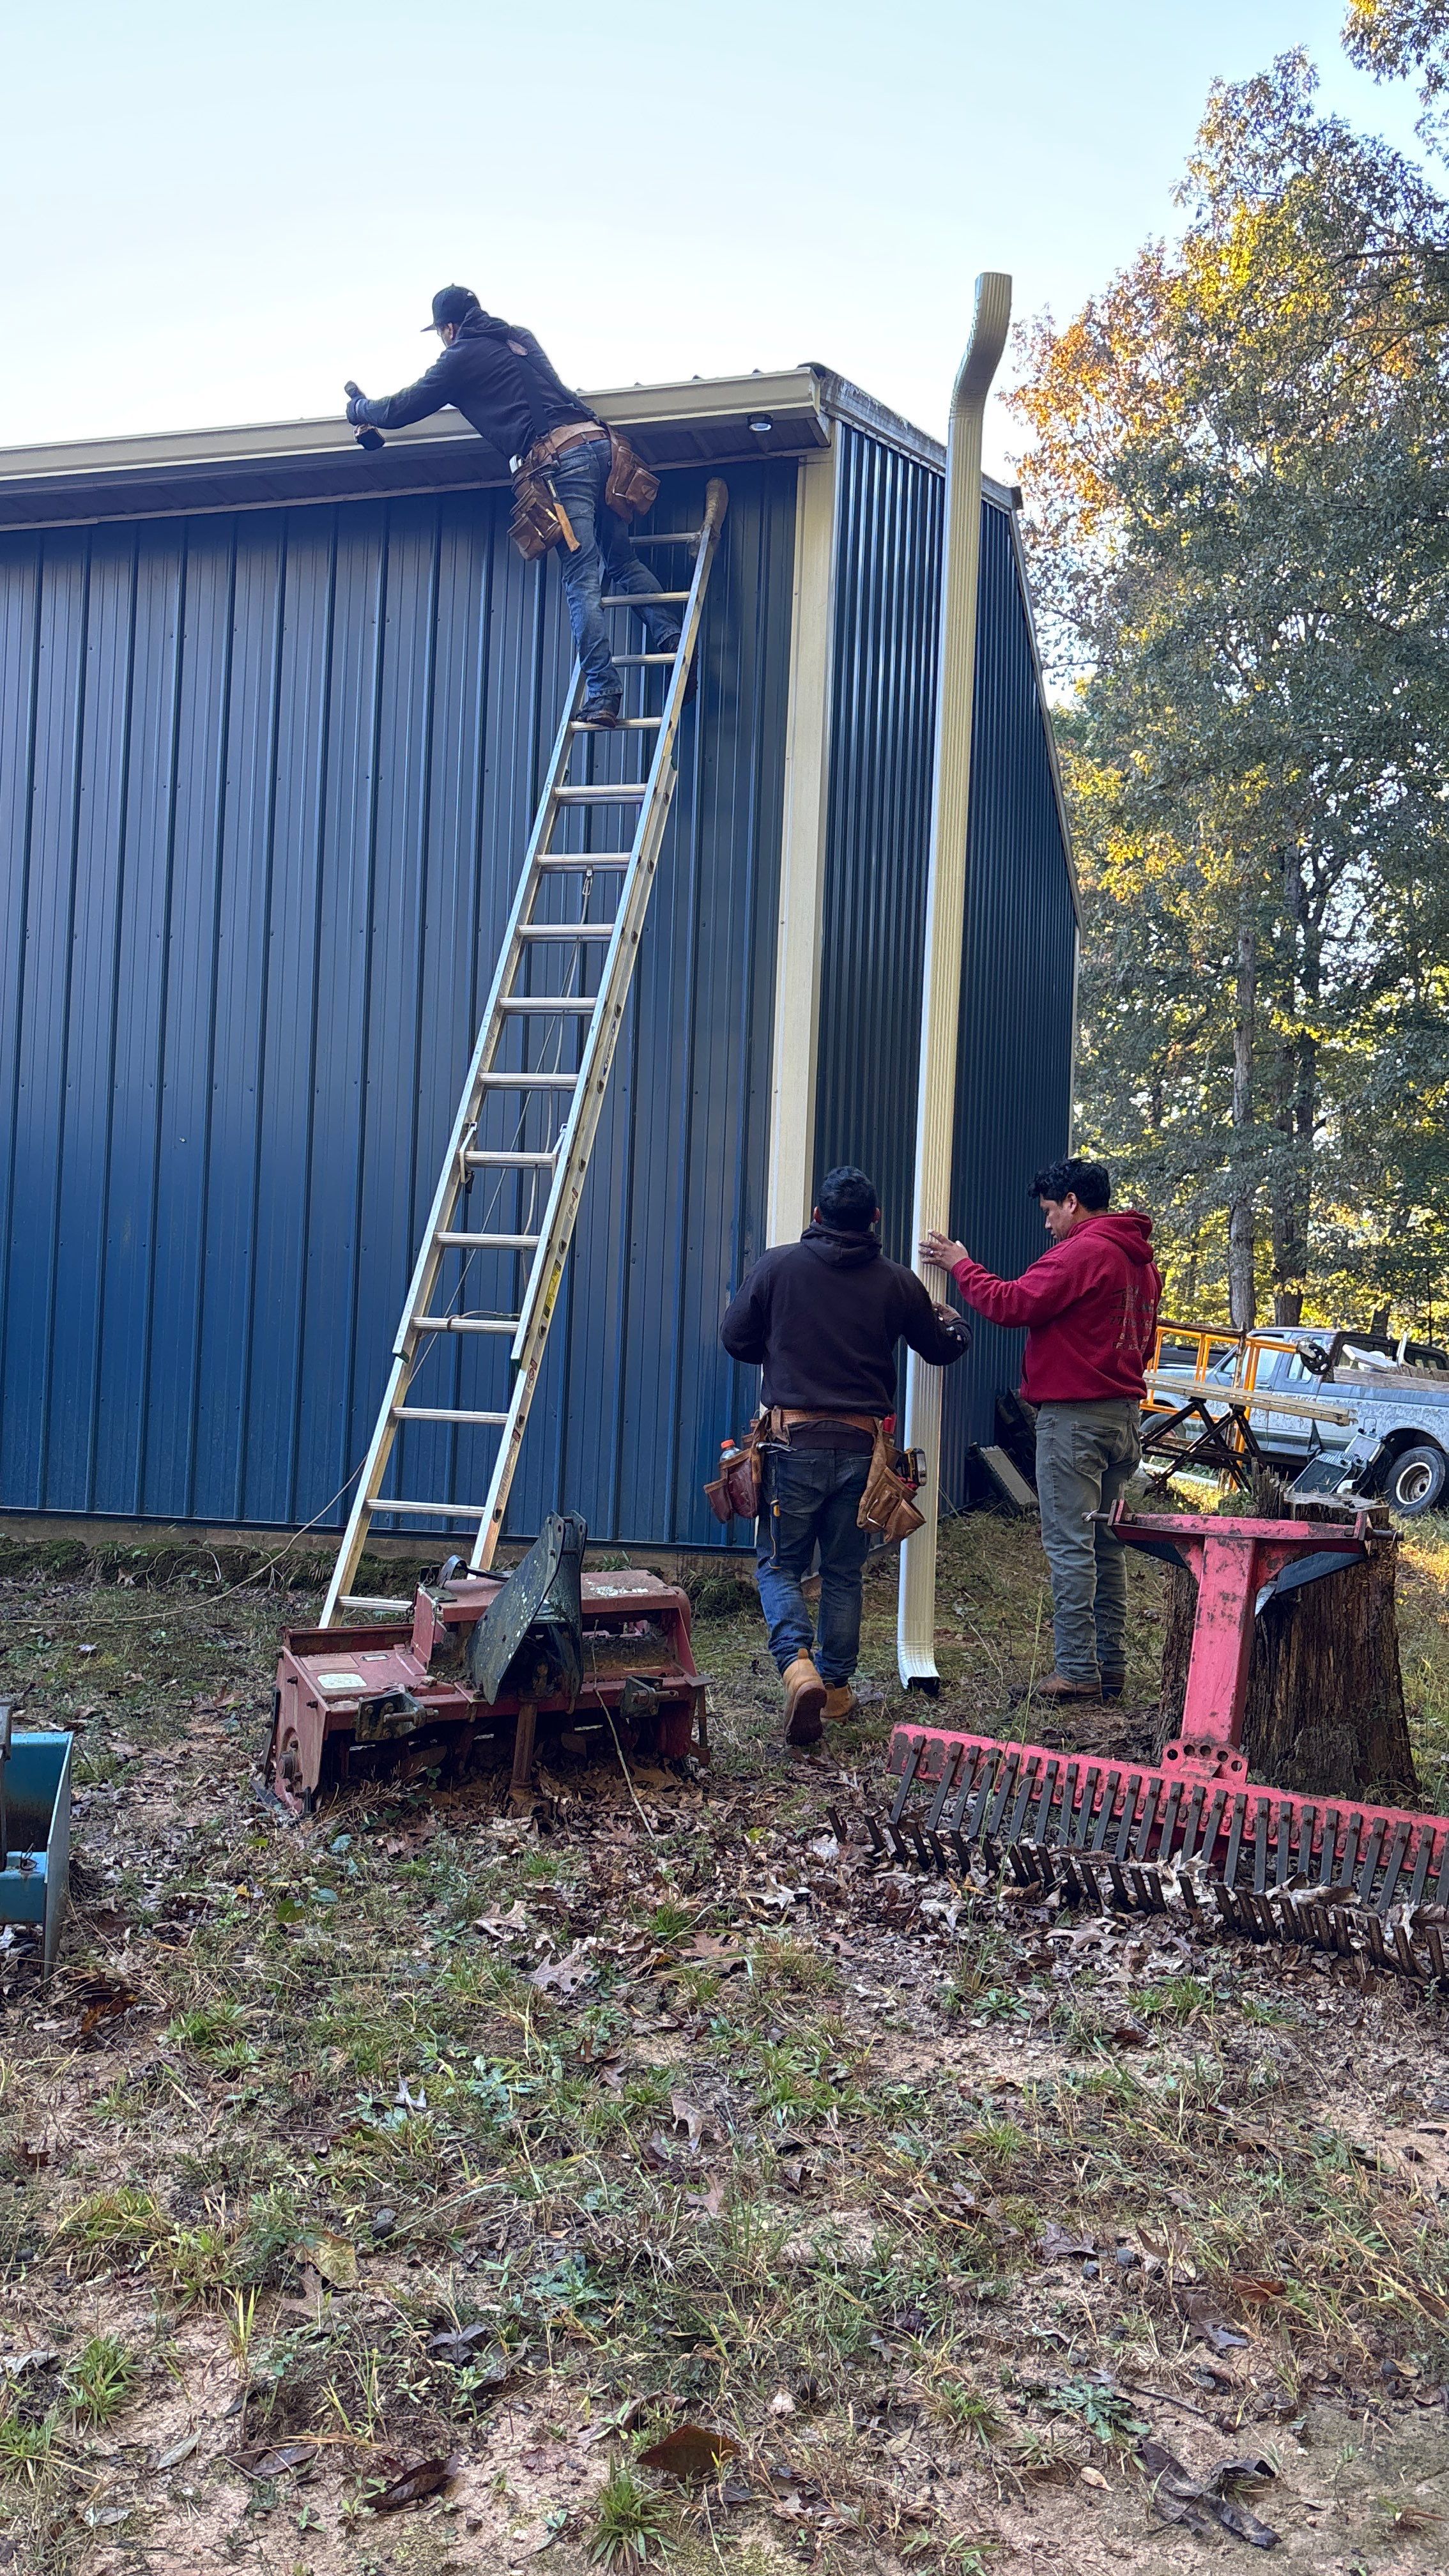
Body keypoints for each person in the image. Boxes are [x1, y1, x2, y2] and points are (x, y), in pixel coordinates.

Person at [345, 287, 684, 726]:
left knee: (581, 578)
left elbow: (400, 408)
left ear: (449, 329)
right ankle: (670, 635)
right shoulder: (518, 337)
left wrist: (358, 408)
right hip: (604, 448)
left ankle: (603, 693)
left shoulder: (460, 356)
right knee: (620, 559)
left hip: (560, 463)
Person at [721, 1167, 970, 1746]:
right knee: (842, 1572)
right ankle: (832, 1689)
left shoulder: (778, 1267)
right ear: (875, 1221)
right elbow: (940, 1350)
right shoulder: (899, 1283)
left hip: (792, 1445)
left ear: (816, 1216)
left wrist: (781, 1344)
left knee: (780, 1565)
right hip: (863, 1455)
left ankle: (796, 1665)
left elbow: (736, 1339)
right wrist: (955, 1323)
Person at [922, 1156, 1162, 1705]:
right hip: (1124, 1416)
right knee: (1106, 1545)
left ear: (1073, 1202)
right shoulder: (1140, 1262)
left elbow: (1013, 1304)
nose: (1047, 1224)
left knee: (1071, 1547)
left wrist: (961, 1265)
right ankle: (1111, 1665)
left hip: (1075, 1420)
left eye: (1050, 1211)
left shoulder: (1082, 1251)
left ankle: (1077, 1669)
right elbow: (1144, 1343)